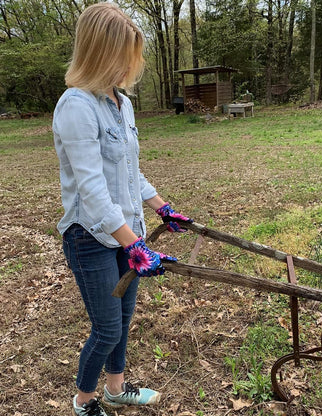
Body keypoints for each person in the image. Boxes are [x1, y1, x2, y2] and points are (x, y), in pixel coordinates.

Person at [52, 3, 193, 416]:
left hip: (126, 232)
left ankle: (115, 389)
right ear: (99, 53)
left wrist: (162, 207)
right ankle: (84, 402)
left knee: (124, 319)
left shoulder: (121, 103)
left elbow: (129, 171)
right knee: (107, 327)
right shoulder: (76, 106)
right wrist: (137, 247)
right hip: (91, 237)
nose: (130, 66)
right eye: (123, 57)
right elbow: (92, 190)